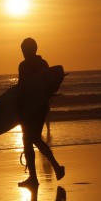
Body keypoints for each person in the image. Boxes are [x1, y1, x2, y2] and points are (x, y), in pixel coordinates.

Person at [17, 37, 65, 189]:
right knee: (32, 139)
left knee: (31, 140)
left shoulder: (24, 66)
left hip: (30, 108)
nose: (23, 53)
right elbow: (47, 86)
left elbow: (22, 88)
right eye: (22, 50)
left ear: (31, 50)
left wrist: (18, 109)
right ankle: (53, 169)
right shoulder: (43, 64)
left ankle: (41, 174)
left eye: (24, 50)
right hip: (41, 107)